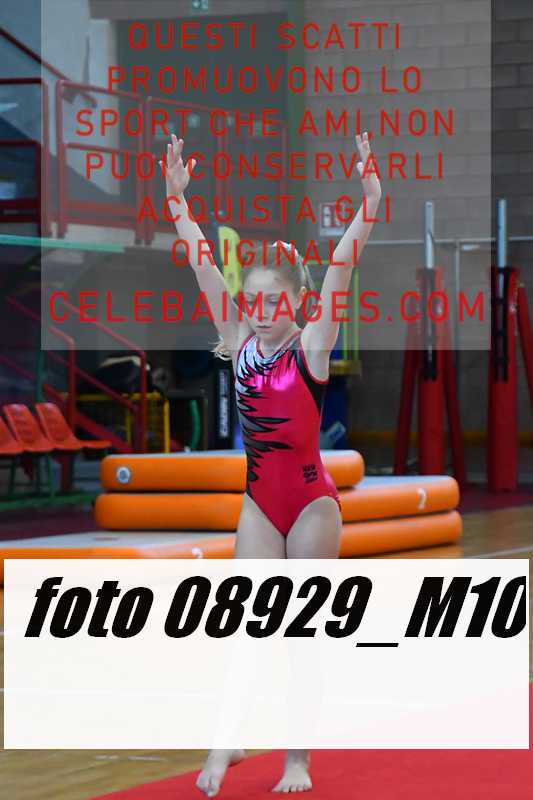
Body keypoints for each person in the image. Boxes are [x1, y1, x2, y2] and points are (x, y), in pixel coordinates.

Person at [159, 131, 381, 796]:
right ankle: (225, 741)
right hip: (259, 503)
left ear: (295, 303)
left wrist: (369, 204)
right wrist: (177, 205)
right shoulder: (236, 339)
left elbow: (339, 268)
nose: (259, 311)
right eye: (250, 300)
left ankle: (297, 758)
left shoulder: (311, 346)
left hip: (311, 505)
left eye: (272, 301)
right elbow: (203, 266)